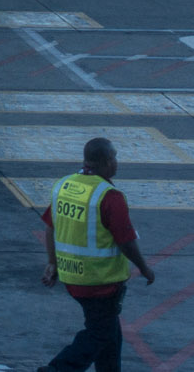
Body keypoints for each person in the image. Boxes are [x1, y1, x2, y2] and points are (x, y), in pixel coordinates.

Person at [39, 135, 154, 372]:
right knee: (99, 334)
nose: (116, 162)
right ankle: (58, 369)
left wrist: (52, 263)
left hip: (72, 277)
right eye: (114, 157)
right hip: (100, 281)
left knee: (109, 333)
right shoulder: (110, 196)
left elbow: (51, 227)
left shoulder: (65, 185)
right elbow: (126, 242)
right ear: (105, 161)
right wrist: (143, 267)